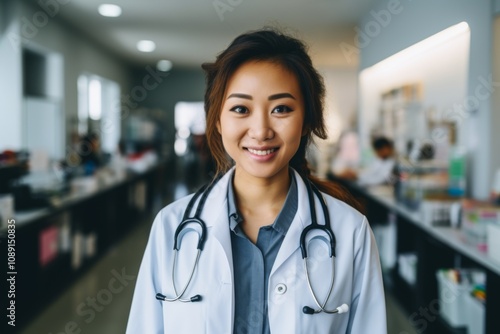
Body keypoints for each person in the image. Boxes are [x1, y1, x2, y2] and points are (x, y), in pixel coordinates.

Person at [126, 28, 386, 334]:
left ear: (306, 121)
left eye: (281, 109)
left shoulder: (350, 231)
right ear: (218, 121)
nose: (261, 130)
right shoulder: (171, 228)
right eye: (240, 109)